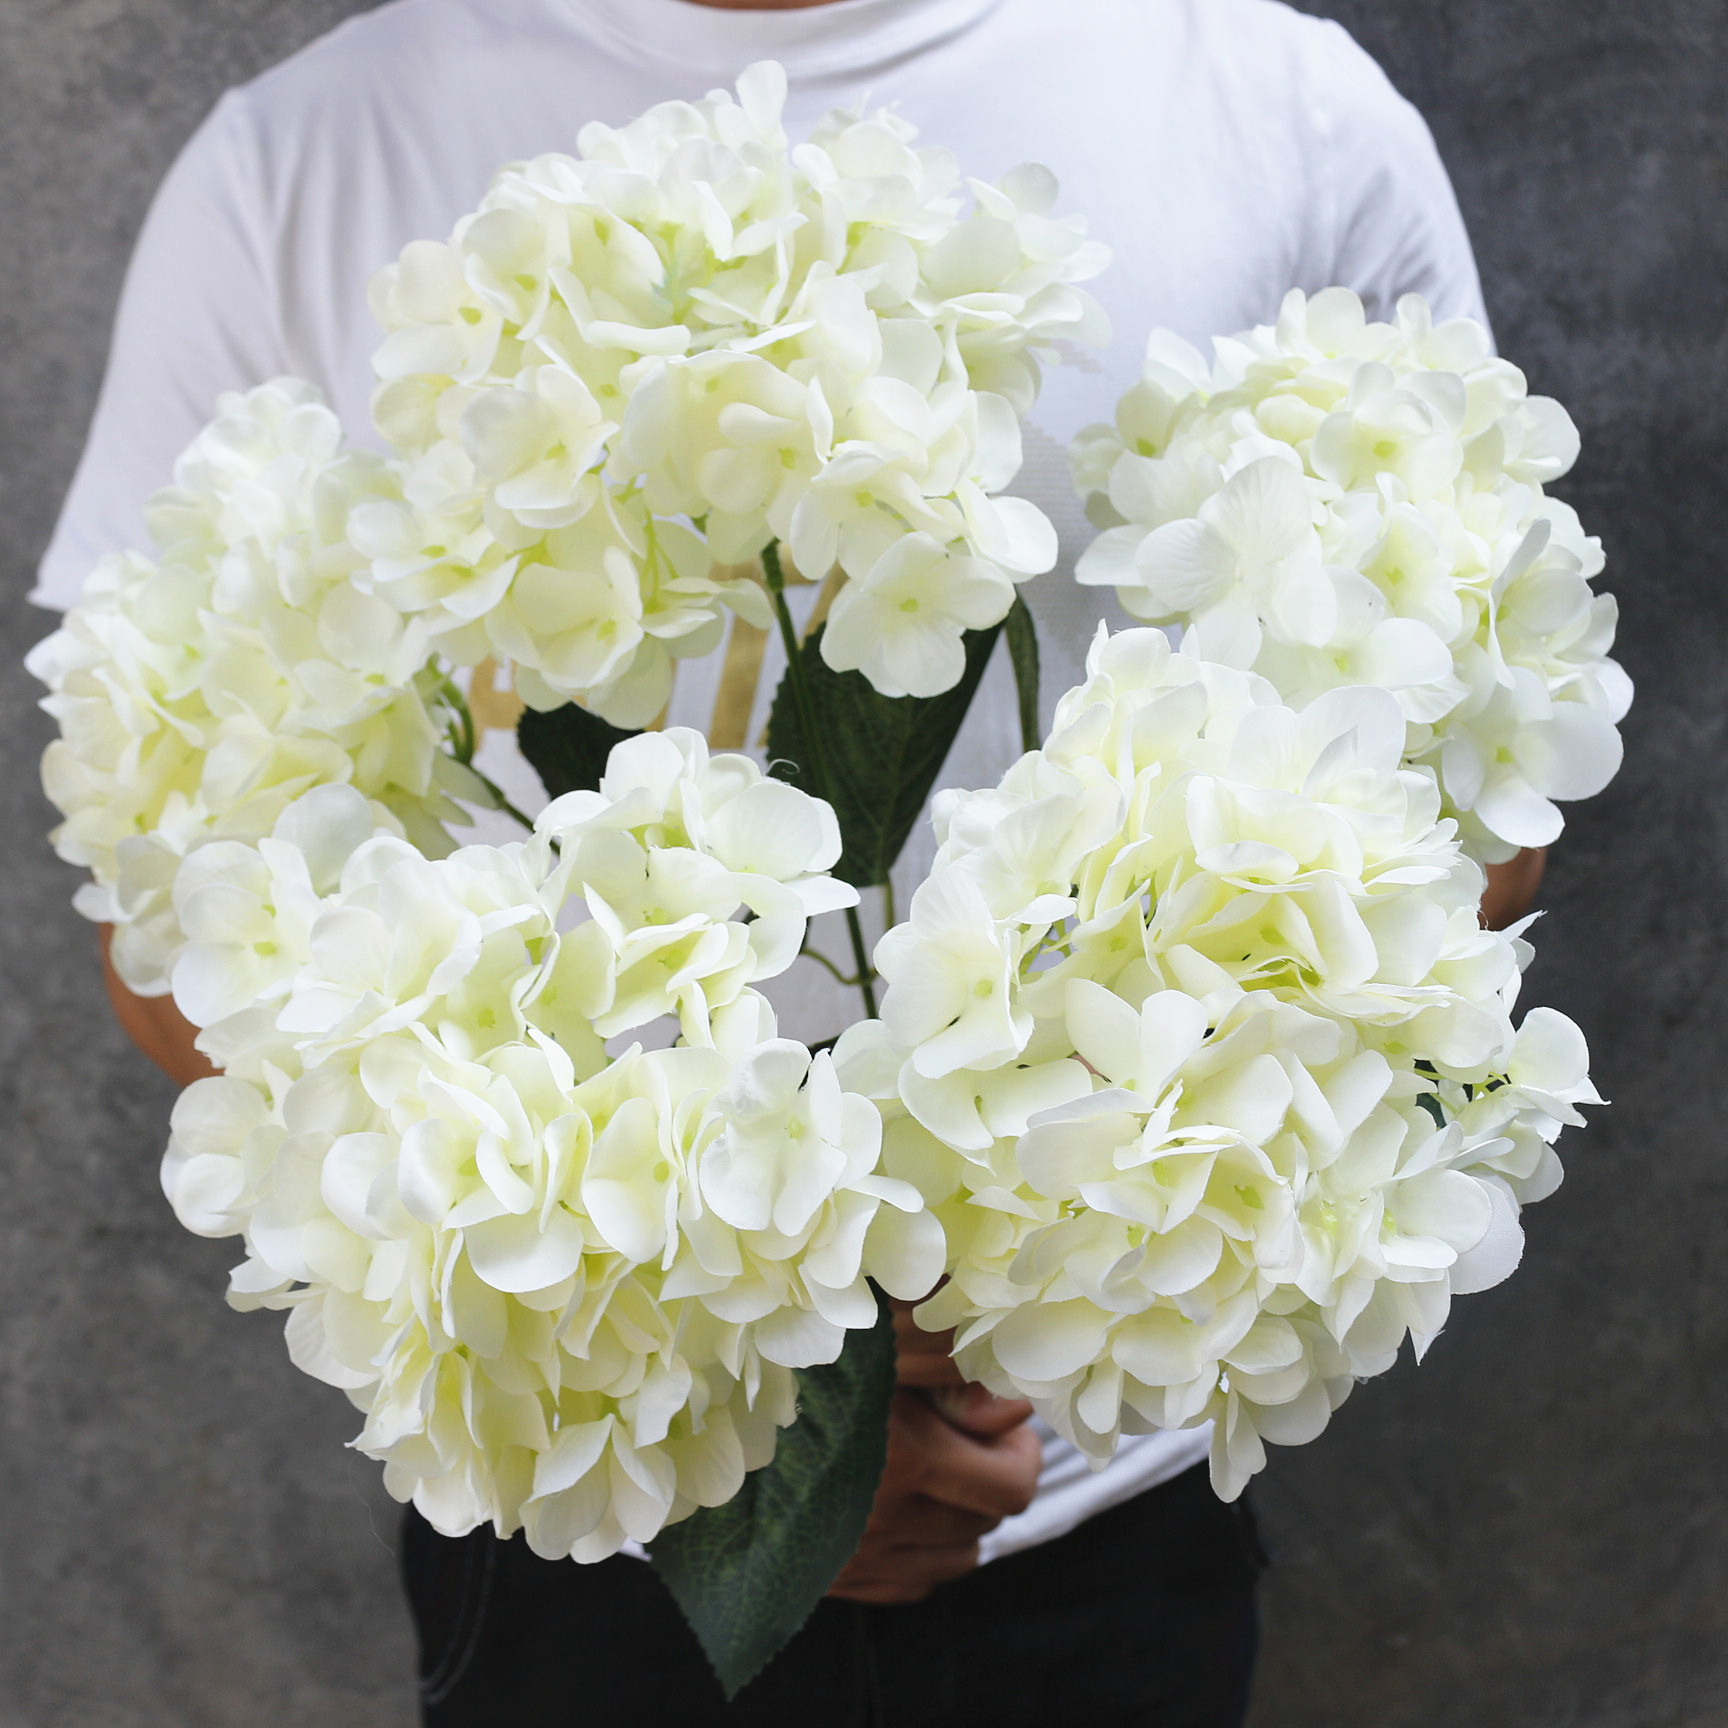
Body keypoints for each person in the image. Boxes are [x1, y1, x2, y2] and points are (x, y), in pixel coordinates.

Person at [36, 0, 1543, 1720]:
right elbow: (171, 929)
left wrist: (1029, 1263)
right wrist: (750, 1394)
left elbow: (1475, 831)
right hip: (607, 1498)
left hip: (1096, 1476)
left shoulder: (1281, 107)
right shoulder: (292, 169)